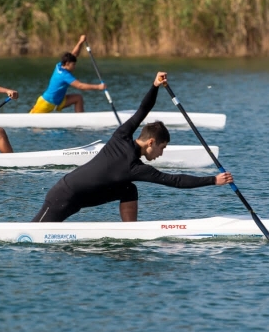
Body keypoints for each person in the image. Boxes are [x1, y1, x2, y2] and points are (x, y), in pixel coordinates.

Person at [32, 72, 232, 222]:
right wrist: (213, 180)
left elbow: (143, 110)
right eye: (162, 148)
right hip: (63, 195)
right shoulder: (134, 166)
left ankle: (130, 232)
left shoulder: (122, 136)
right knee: (31, 235)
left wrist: (155, 85)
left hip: (80, 200)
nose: (161, 154)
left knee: (129, 189)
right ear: (151, 142)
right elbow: (176, 180)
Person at [30, 34, 106, 113]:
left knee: (78, 98)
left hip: (58, 101)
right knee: (34, 123)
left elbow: (74, 54)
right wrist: (98, 87)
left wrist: (80, 42)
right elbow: (80, 86)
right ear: (67, 64)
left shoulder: (59, 65)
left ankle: (81, 121)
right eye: (73, 65)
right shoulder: (65, 75)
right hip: (46, 103)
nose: (75, 67)